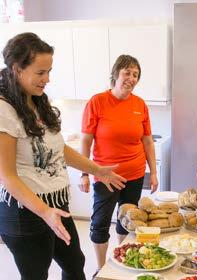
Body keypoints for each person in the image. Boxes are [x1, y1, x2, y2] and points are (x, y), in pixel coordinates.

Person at [0, 32, 126, 280]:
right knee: (37, 275)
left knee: (74, 264)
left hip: (56, 204)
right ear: (17, 69)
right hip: (26, 212)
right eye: (40, 72)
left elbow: (58, 149)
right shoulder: (4, 109)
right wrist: (45, 212)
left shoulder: (37, 101)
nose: (47, 79)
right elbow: (7, 177)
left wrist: (97, 170)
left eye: (49, 71)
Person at [79, 54, 158, 278]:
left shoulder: (140, 105)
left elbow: (147, 141)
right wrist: (84, 173)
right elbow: (86, 140)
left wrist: (153, 172)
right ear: (115, 74)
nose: (131, 78)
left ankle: (121, 260)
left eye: (135, 74)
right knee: (100, 222)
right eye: (127, 73)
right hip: (105, 175)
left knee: (127, 219)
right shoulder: (97, 102)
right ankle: (102, 267)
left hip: (134, 173)